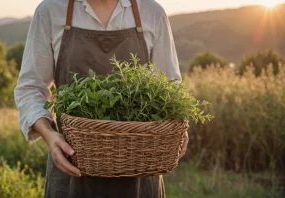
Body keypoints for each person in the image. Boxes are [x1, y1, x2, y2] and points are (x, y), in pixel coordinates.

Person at [14, 0, 189, 197]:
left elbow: (171, 88)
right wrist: (49, 135)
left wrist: (178, 124)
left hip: (140, 171)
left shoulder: (152, 12)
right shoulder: (51, 11)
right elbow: (30, 89)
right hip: (72, 170)